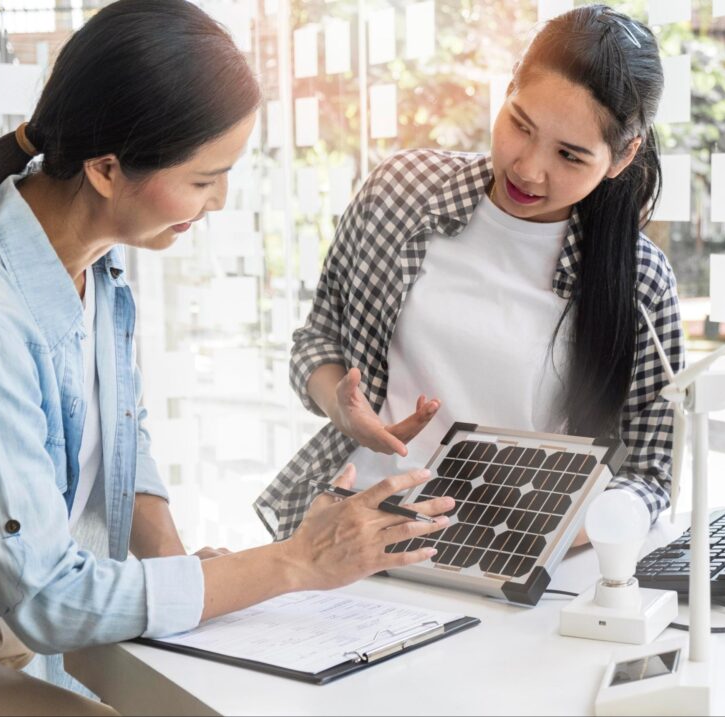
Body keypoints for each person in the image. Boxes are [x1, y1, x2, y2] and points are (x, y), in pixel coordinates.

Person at [0, 0, 451, 707]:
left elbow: (121, 436)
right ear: (107, 169)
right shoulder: (2, 312)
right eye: (204, 179)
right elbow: (52, 598)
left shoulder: (97, 262)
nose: (220, 202)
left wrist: (177, 567)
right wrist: (297, 561)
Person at [256, 4, 684, 545]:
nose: (528, 168)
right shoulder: (401, 192)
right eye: (520, 125)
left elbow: (649, 470)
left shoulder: (639, 279)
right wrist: (342, 408)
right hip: (361, 529)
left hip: (515, 549)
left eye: (570, 156)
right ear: (506, 91)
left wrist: (548, 540)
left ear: (622, 158)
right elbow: (317, 339)